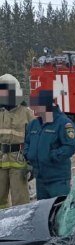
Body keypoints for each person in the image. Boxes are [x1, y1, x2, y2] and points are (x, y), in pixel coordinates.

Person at [25, 90, 75, 200]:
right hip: (40, 179)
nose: (35, 109)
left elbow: (70, 146)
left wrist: (52, 156)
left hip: (58, 180)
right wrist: (28, 154)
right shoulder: (34, 124)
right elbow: (27, 142)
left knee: (58, 208)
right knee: (44, 209)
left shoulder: (64, 123)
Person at [0, 74, 33, 208]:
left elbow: (34, 139)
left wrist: (31, 163)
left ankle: (20, 220)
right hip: (1, 160)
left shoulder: (27, 113)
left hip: (19, 162)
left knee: (20, 201)